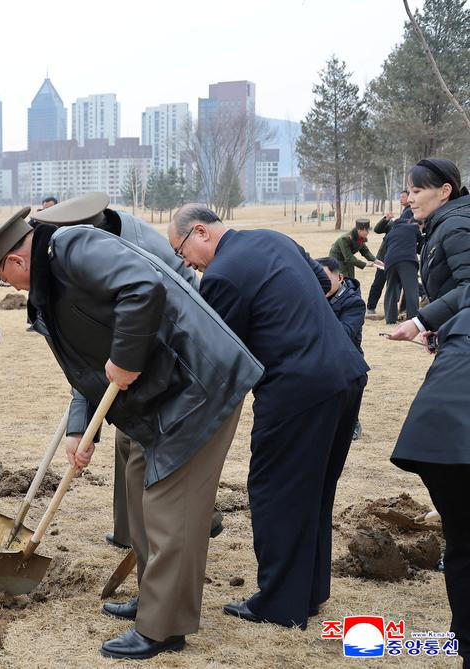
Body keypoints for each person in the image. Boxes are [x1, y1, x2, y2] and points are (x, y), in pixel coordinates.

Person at [0, 208, 263, 660]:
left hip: (197, 384)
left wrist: (125, 357)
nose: (12, 289)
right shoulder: (50, 285)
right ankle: (152, 595)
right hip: (155, 397)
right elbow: (83, 366)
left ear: (16, 262)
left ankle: (164, 627)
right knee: (138, 493)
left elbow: (143, 287)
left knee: (169, 508)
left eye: (5, 279)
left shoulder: (73, 247)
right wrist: (82, 431)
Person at [169, 204, 368, 631]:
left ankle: (280, 603)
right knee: (314, 488)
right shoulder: (272, 238)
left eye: (182, 249)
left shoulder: (221, 276)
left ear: (201, 232)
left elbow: (217, 348)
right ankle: (310, 592)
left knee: (274, 489)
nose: (185, 262)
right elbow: (319, 280)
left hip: (297, 388)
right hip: (346, 373)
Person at [28, 192, 221, 551]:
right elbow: (90, 359)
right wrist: (79, 428)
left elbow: (145, 319)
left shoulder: (121, 254)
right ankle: (128, 531)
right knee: (126, 441)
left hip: (176, 359)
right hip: (142, 361)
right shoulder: (88, 259)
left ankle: (191, 520)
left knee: (141, 447)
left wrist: (121, 367)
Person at [387, 284, 469, 667]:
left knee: (462, 542)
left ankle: (464, 637)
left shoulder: (460, 320)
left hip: (430, 443)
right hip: (455, 438)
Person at [390, 158, 470, 345]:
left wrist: (421, 322)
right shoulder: (441, 225)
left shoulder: (455, 226)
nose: (409, 199)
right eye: (409, 192)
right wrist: (441, 329)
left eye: (417, 191)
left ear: (444, 191)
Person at [318, 255, 367, 439]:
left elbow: (343, 334)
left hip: (346, 360)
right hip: (318, 357)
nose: (320, 284)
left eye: (324, 279)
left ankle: (352, 421)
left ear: (340, 278)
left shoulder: (354, 303)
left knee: (347, 394)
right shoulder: (313, 296)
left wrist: (318, 308)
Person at [366, 191, 413, 314]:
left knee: (397, 283)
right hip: (384, 257)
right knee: (379, 282)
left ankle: (397, 309)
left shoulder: (408, 214)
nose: (401, 199)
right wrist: (386, 219)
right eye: (400, 197)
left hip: (397, 257)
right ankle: (371, 308)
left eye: (403, 196)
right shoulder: (395, 222)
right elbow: (377, 229)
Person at [382, 217, 423, 325]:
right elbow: (422, 244)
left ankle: (390, 319)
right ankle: (412, 318)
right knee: (411, 289)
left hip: (390, 262)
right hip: (407, 260)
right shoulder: (413, 228)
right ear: (407, 222)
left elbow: (387, 249)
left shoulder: (390, 234)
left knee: (391, 288)